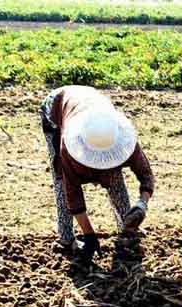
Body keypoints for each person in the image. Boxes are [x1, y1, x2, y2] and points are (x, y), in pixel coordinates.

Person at [40, 85, 155, 262]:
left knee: (114, 177)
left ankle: (126, 230)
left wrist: (142, 204)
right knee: (61, 181)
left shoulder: (124, 140)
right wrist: (89, 235)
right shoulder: (68, 147)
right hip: (57, 106)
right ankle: (66, 238)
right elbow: (73, 194)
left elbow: (146, 174)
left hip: (91, 103)